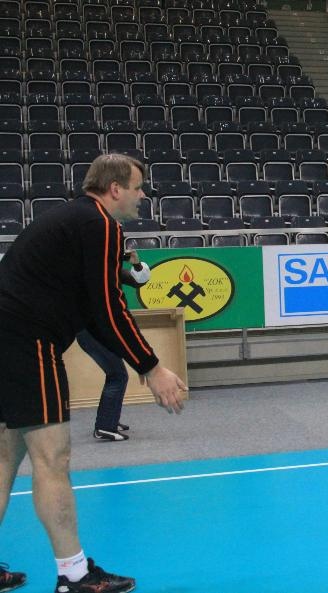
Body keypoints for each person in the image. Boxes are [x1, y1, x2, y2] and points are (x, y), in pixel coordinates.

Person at [0, 154, 187, 593]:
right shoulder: (100, 224)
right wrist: (152, 367)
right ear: (115, 189)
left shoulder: (77, 220)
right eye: (138, 188)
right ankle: (74, 575)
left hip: (9, 336)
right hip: (27, 342)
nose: (143, 196)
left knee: (5, 457)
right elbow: (108, 309)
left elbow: (92, 300)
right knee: (53, 459)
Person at [78, 250, 152, 442]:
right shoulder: (90, 272)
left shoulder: (109, 269)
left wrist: (136, 264)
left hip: (101, 332)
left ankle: (109, 421)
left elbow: (139, 281)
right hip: (91, 332)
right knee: (118, 375)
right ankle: (104, 427)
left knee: (116, 374)